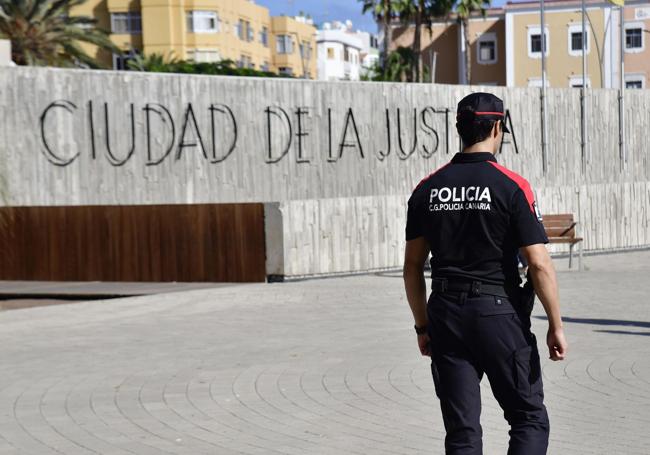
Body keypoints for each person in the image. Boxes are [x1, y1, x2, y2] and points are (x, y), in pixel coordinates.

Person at [402, 92, 568, 455]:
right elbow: (538, 263)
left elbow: (412, 267)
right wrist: (555, 324)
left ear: (459, 129)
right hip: (498, 314)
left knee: (462, 432)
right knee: (527, 417)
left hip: (445, 315)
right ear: (497, 127)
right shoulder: (511, 185)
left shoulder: (427, 188)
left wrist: (422, 325)